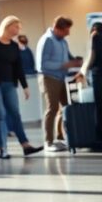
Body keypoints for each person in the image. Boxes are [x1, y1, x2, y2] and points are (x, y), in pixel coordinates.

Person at [0, 16, 45, 159]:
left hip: (9, 84)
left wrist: (25, 86)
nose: (18, 30)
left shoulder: (14, 46)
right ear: (7, 26)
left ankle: (25, 145)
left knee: (15, 114)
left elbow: (18, 67)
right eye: (16, 27)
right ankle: (0, 148)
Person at [35, 16, 83, 152]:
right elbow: (43, 65)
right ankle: (48, 142)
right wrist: (65, 65)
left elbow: (68, 56)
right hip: (49, 78)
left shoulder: (62, 41)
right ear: (57, 29)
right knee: (52, 109)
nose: (68, 33)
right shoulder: (47, 40)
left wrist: (76, 61)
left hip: (61, 78)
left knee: (66, 108)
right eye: (66, 30)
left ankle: (61, 137)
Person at [76, 22, 102, 145]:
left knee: (99, 106)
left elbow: (92, 56)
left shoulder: (95, 36)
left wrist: (82, 71)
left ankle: (99, 136)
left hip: (99, 74)